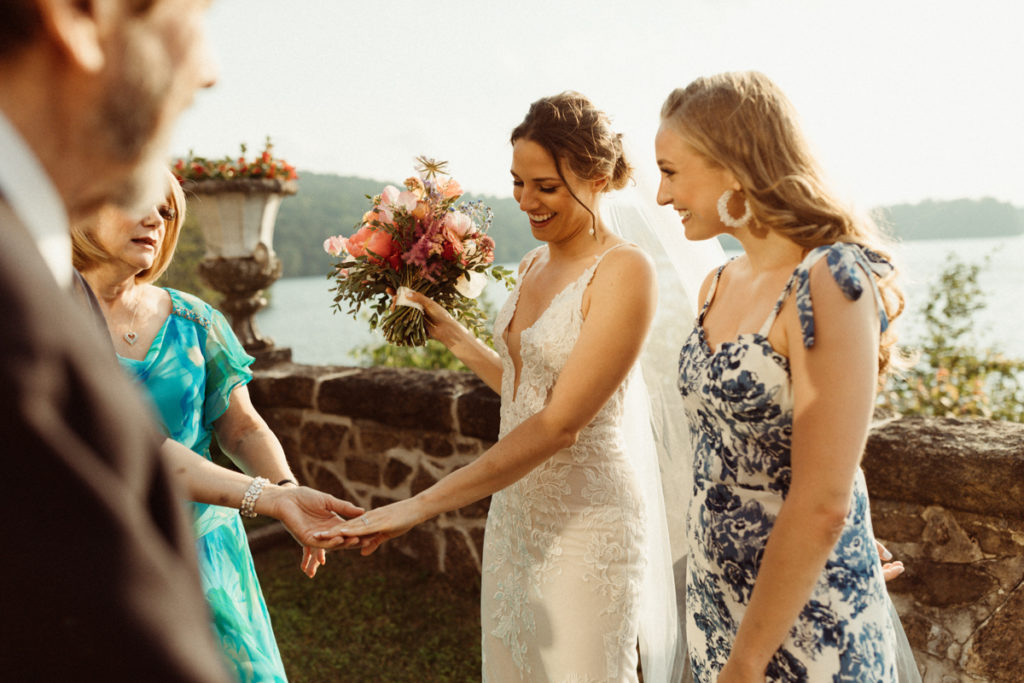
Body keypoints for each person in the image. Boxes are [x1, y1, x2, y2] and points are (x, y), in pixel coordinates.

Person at [322, 92, 683, 682]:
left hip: (587, 522)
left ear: (596, 179)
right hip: (515, 512)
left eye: (545, 186)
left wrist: (416, 507)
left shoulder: (624, 271)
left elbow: (560, 423)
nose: (525, 202)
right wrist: (456, 337)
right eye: (518, 182)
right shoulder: (532, 266)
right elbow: (526, 392)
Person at [0, 1, 234, 679]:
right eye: (194, 14)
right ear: (80, 16)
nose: (210, 71)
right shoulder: (17, 335)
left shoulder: (50, 287)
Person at [657, 71, 906, 681]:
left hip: (803, 623)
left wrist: (745, 664)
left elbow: (824, 497)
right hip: (716, 602)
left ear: (732, 167)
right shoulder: (717, 284)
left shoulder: (829, 279)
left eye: (670, 172)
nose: (661, 198)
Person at [71, 171, 356, 682]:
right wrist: (270, 499)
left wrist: (288, 490)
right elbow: (137, 448)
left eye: (166, 211)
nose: (155, 219)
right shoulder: (53, 318)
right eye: (138, 200)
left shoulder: (195, 319)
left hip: (207, 553)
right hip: (99, 554)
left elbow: (242, 427)